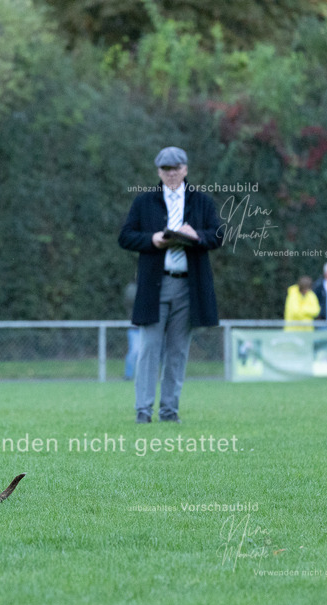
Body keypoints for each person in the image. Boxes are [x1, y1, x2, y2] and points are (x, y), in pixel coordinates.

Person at [118, 146, 222, 424]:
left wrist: (196, 236)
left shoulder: (201, 201)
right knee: (149, 349)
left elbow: (218, 235)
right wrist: (152, 239)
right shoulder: (144, 201)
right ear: (159, 172)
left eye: (176, 168)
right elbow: (125, 236)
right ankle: (143, 410)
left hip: (188, 287)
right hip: (155, 286)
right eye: (166, 169)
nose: (171, 173)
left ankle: (169, 411)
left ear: (185, 169)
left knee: (178, 352)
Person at [124, 282, 140, 380]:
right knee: (134, 352)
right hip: (135, 328)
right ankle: (128, 375)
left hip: (149, 328)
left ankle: (145, 375)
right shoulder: (132, 288)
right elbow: (130, 299)